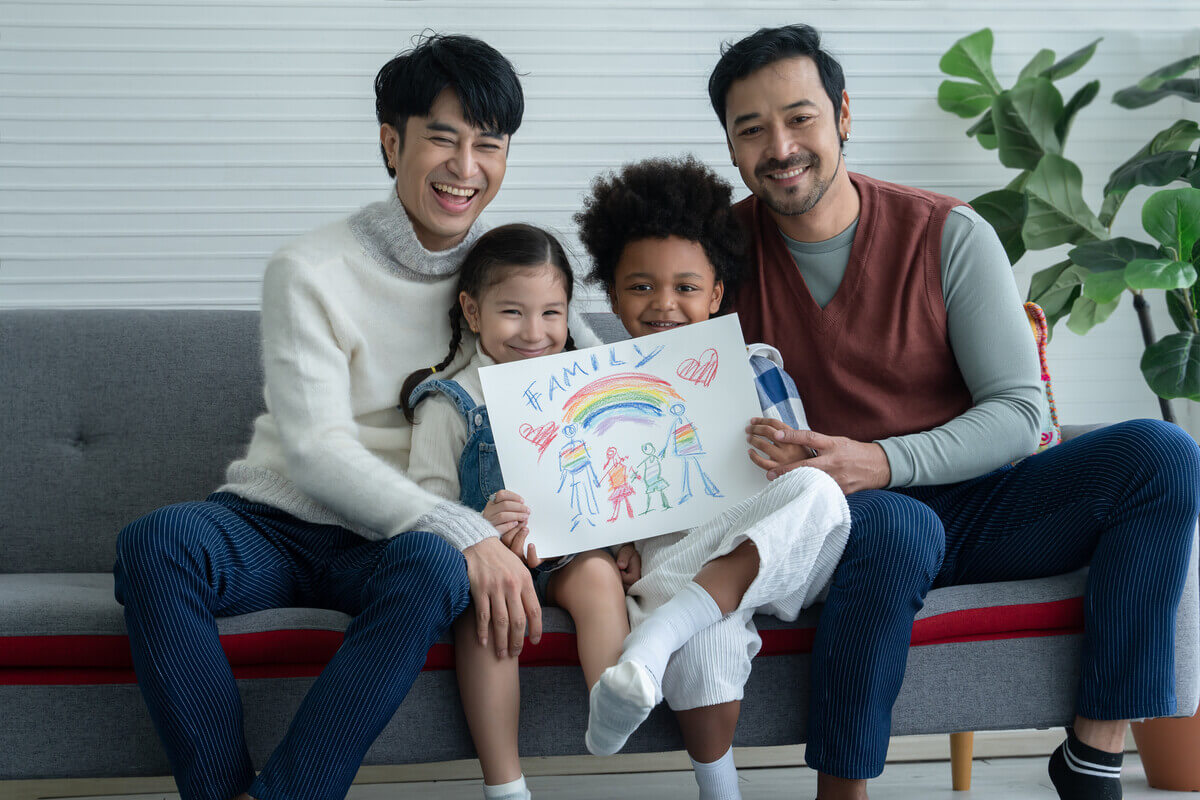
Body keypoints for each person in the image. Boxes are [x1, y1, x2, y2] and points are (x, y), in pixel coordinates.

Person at [708, 23, 1200, 800]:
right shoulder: (715, 255)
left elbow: (1018, 413)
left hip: (979, 505)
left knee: (1163, 455)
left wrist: (883, 460)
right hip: (826, 523)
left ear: (841, 114)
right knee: (903, 526)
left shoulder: (947, 234)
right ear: (732, 149)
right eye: (752, 129)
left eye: (799, 117)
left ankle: (1093, 755)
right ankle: (844, 789)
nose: (781, 145)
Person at [111, 34, 595, 800]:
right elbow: (313, 451)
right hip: (277, 522)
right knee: (156, 543)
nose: (465, 168)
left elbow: (593, 385)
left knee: (436, 566)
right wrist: (469, 530)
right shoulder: (309, 268)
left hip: (400, 547)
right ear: (390, 140)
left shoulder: (511, 277)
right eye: (442, 137)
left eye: (488, 145)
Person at [576, 155, 851, 800]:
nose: (664, 305)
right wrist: (605, 540)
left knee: (821, 491)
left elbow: (802, 482)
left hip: (765, 557)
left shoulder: (756, 369)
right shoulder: (589, 387)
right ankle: (718, 787)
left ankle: (656, 635)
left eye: (686, 287)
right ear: (613, 294)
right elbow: (582, 497)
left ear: (718, 294)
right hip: (665, 558)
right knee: (702, 650)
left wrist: (785, 457)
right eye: (640, 287)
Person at [401, 223, 635, 800]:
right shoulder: (451, 402)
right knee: (487, 624)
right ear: (472, 312)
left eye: (552, 313)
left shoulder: (583, 387)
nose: (535, 333)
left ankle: (610, 702)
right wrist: (478, 522)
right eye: (513, 313)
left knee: (601, 578)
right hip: (490, 565)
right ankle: (505, 783)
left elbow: (614, 475)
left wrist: (626, 536)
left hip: (565, 552)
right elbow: (421, 506)